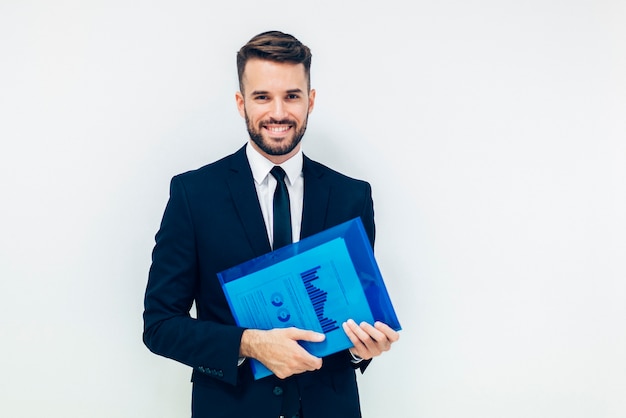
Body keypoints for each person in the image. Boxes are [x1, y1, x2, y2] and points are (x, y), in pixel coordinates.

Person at [143, 30, 399, 418]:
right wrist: (248, 344)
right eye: (262, 97)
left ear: (310, 101)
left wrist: (360, 350)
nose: (278, 112)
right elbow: (160, 325)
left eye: (292, 96)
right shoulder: (194, 195)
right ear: (240, 102)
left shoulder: (352, 197)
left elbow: (354, 317)